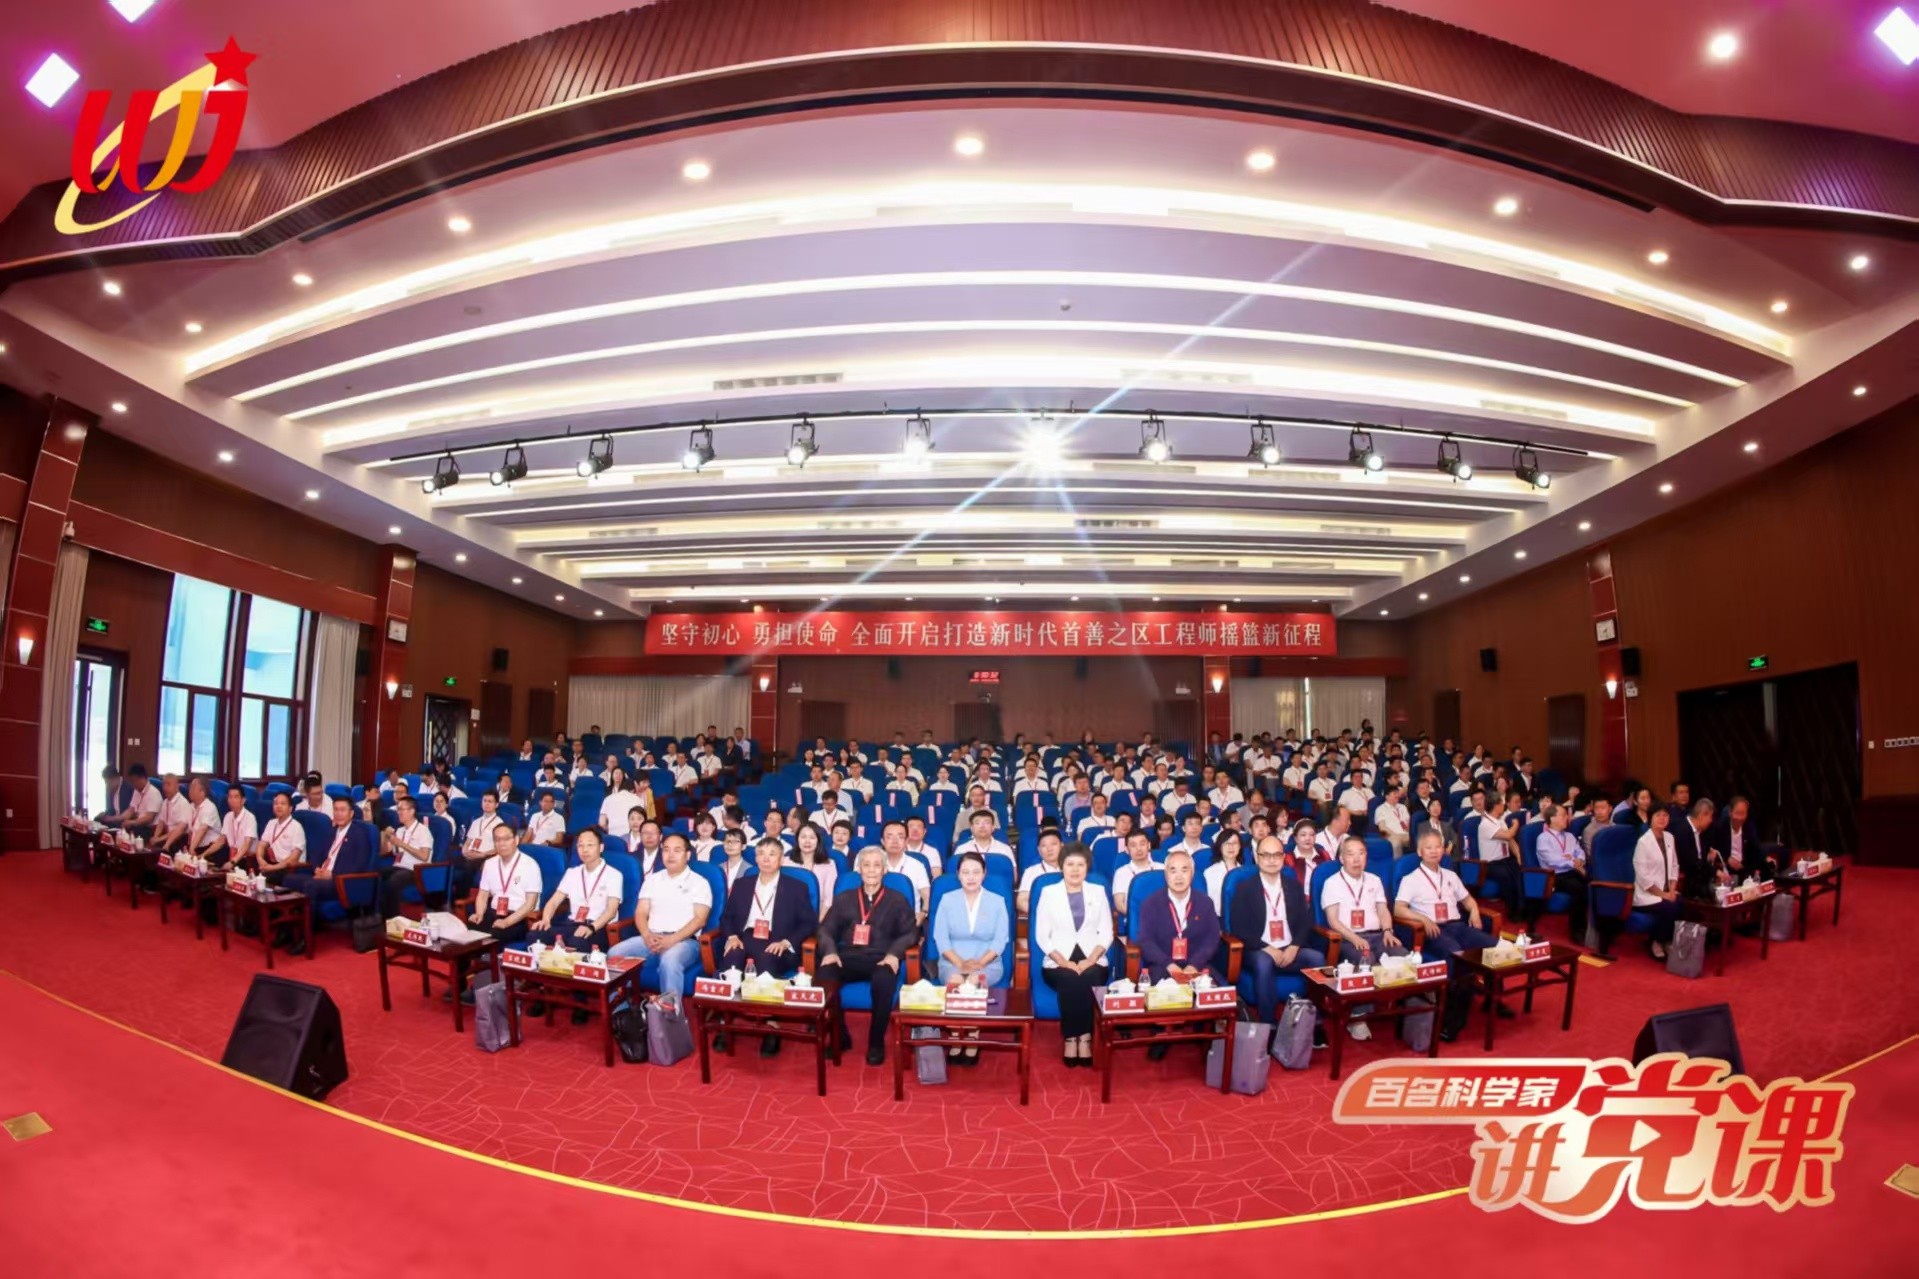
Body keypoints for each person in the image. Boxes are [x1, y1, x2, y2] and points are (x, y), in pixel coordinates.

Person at [815, 847, 917, 1066]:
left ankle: (876, 1042)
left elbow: (911, 933)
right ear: (859, 869)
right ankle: (840, 1037)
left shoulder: (897, 899)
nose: (871, 870)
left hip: (881, 958)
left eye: (877, 865)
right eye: (866, 865)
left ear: (885, 870)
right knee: (825, 974)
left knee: (883, 979)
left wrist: (894, 955)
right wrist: (830, 952)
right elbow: (825, 930)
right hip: (848, 956)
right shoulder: (844, 898)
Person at [525, 829, 625, 1024]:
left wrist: (592, 927)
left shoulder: (614, 875)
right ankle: (544, 990)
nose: (584, 850)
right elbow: (554, 901)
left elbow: (611, 910)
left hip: (598, 927)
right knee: (535, 936)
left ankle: (580, 1000)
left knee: (577, 942)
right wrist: (546, 919)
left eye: (590, 845)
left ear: (601, 847)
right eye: (580, 845)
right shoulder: (572, 873)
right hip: (572, 924)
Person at [1230, 835, 1326, 1026]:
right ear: (1256, 857)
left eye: (1276, 855)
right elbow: (1239, 927)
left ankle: (1314, 1020)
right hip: (1258, 950)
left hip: (1289, 949)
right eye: (1266, 855)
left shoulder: (1294, 886)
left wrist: (1295, 946)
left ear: (1283, 857)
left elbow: (1305, 922)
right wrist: (1268, 948)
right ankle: (1268, 1023)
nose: (1272, 860)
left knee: (1317, 958)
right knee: (1264, 962)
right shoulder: (1244, 888)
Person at [1320, 835, 1407, 1041]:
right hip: (1348, 938)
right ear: (1342, 858)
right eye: (1351, 854)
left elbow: (1383, 909)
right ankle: (1357, 1016)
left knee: (1403, 957)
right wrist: (1354, 938)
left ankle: (1403, 1009)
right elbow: (1333, 921)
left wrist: (1388, 930)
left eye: (1361, 853)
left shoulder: (1374, 880)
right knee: (1367, 961)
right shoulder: (1332, 883)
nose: (1356, 859)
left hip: (1378, 934)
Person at [1034, 843, 1113, 1068]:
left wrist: (1090, 960)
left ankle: (1084, 1038)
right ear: (1062, 866)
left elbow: (1106, 932)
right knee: (1070, 978)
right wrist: (1064, 962)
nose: (1075, 869)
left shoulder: (1097, 891)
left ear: (1087, 867)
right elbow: (1042, 935)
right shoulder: (1049, 893)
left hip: (1093, 957)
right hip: (1057, 959)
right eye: (1070, 864)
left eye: (1081, 864)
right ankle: (1072, 1038)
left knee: (1089, 976)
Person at [608, 833, 712, 1006]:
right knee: (614, 954)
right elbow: (641, 912)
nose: (670, 855)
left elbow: (700, 920)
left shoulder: (699, 883)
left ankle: (670, 1015)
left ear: (687, 855)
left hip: (684, 941)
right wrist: (646, 935)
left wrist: (672, 939)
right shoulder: (652, 880)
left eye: (677, 850)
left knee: (669, 962)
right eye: (666, 850)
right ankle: (623, 1010)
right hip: (651, 937)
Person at [282, 798, 376, 954]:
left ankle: (306, 938)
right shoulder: (332, 831)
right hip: (323, 876)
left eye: (342, 810)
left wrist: (332, 874)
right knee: (288, 880)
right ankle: (286, 932)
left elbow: (359, 865)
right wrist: (317, 869)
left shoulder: (360, 834)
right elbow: (316, 854)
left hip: (341, 881)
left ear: (351, 813)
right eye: (336, 810)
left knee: (310, 886)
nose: (338, 814)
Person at [1135, 848, 1222, 993]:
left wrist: (1194, 965)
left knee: (1216, 995)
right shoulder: (1150, 904)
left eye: (1184, 870)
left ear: (1192, 874)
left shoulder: (1205, 903)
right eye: (1173, 871)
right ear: (1166, 875)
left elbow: (1212, 939)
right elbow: (1146, 941)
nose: (1179, 877)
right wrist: (1169, 965)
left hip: (1197, 966)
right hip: (1162, 967)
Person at [1632, 807, 1685, 961]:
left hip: (1667, 890)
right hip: (1648, 894)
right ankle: (1656, 941)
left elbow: (1674, 865)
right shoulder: (1643, 842)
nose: (1662, 818)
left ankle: (1666, 940)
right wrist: (1663, 895)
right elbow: (1643, 877)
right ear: (1650, 818)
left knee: (1680, 902)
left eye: (1665, 815)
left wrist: (1672, 890)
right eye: (1658, 815)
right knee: (1669, 906)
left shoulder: (1669, 837)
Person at [1533, 804, 1589, 943]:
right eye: (1563, 815)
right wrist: (1571, 861)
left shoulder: (1569, 836)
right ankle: (1577, 930)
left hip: (1573, 871)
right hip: (1555, 876)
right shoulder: (1543, 838)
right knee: (1577, 888)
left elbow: (1579, 851)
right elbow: (1552, 860)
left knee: (1593, 882)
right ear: (1552, 819)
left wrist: (1579, 860)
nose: (1567, 818)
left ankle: (1594, 927)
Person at [1472, 792, 1527, 925]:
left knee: (1519, 872)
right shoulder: (1485, 824)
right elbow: (1508, 835)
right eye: (1502, 803)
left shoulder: (1500, 820)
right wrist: (1516, 824)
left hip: (1505, 859)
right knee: (1507, 877)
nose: (1503, 805)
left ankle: (1522, 909)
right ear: (1496, 806)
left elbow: (1511, 841)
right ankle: (1512, 912)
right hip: (1491, 864)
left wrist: (1518, 856)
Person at [380, 795, 438, 917]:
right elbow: (384, 852)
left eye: (402, 809)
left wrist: (402, 844)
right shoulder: (400, 830)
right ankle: (379, 916)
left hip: (416, 869)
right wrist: (385, 837)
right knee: (376, 874)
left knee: (393, 882)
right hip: (399, 866)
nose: (399, 812)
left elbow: (424, 856)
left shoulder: (423, 831)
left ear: (412, 811)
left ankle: (393, 919)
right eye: (398, 809)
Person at [457, 791, 510, 895]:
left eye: (490, 801)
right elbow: (467, 842)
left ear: (496, 804)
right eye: (484, 801)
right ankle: (443, 898)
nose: (486, 804)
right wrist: (464, 851)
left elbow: (499, 848)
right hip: (470, 853)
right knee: (450, 863)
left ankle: (461, 899)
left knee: (468, 869)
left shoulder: (499, 824)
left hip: (485, 856)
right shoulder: (476, 821)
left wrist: (482, 855)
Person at [1710, 796, 1774, 880]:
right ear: (1730, 812)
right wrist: (1727, 859)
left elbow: (1756, 846)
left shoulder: (1749, 827)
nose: (1740, 818)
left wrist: (1766, 858)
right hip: (1726, 869)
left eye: (1743, 813)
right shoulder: (1720, 827)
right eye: (1737, 813)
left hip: (1744, 868)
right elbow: (1713, 849)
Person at [877, 820, 931, 917]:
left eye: (900, 837)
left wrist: (923, 913)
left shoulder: (917, 866)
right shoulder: (872, 863)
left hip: (908, 919)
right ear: (882, 841)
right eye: (889, 837)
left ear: (906, 841)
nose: (895, 841)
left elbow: (927, 896)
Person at [246, 791, 307, 878]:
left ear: (290, 808)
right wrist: (260, 859)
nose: (279, 806)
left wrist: (271, 868)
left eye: (283, 804)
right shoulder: (271, 823)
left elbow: (293, 858)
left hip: (288, 867)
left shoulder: (296, 827)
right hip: (273, 863)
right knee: (248, 867)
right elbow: (261, 845)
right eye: (276, 803)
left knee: (263, 876)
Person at [787, 822, 838, 917]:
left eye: (812, 837)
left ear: (818, 840)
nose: (807, 841)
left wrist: (817, 923)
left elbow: (828, 900)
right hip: (788, 912)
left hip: (816, 914)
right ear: (797, 839)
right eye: (803, 837)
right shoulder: (786, 862)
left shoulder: (829, 865)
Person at [1110, 829, 1163, 915]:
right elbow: (1119, 904)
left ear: (1149, 845)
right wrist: (1141, 916)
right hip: (1135, 917)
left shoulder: (1162, 868)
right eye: (1133, 845)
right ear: (1127, 849)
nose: (1139, 849)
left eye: (1142, 844)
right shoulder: (1121, 873)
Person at [207, 783, 257, 867]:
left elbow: (246, 845)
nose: (232, 800)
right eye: (230, 797)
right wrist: (203, 855)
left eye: (236, 797)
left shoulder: (250, 818)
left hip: (246, 858)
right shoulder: (228, 816)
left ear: (243, 800)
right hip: (231, 855)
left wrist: (232, 862)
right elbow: (220, 841)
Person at [1017, 828, 1065, 914]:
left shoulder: (1073, 868)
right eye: (1044, 846)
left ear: (1062, 846)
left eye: (1053, 844)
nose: (1049, 849)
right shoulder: (1031, 871)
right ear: (1039, 850)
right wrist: (1041, 914)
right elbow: (1021, 901)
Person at [1203, 828, 1244, 914]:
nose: (1231, 847)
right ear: (1220, 847)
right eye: (1226, 843)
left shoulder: (1246, 873)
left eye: (1234, 843)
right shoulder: (1209, 873)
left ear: (1240, 846)